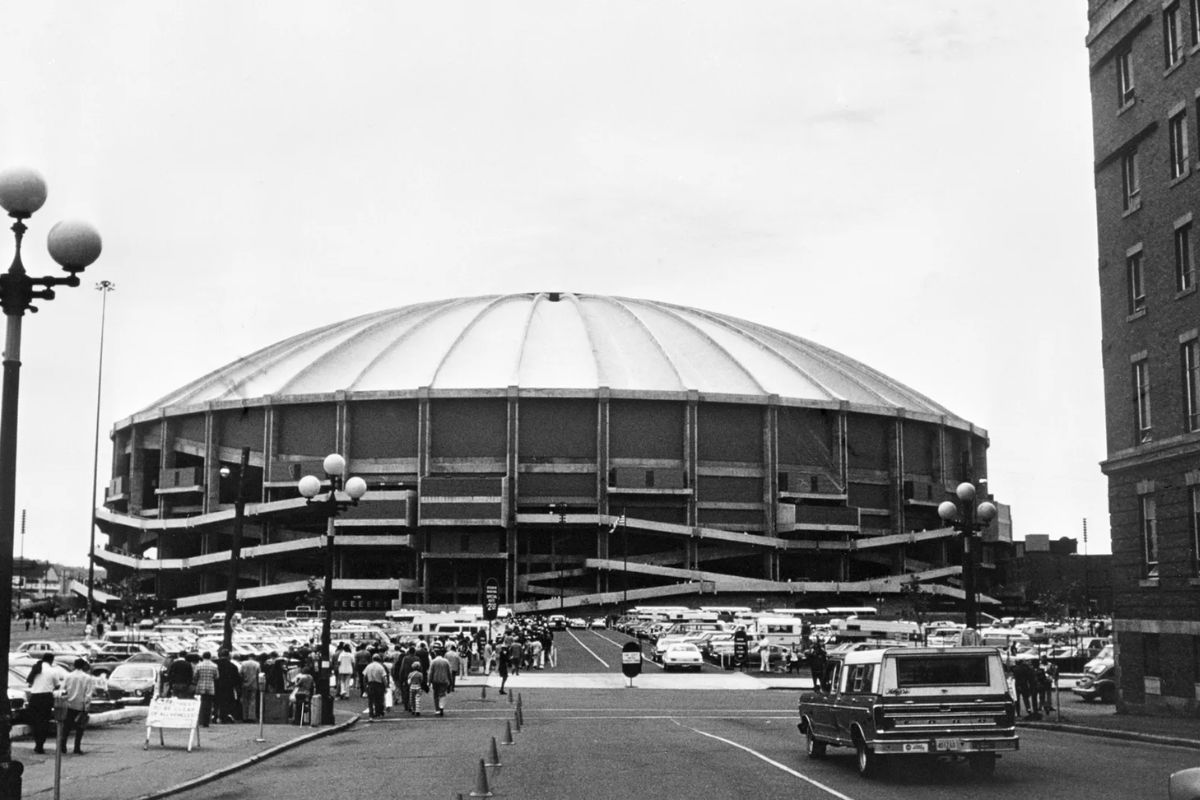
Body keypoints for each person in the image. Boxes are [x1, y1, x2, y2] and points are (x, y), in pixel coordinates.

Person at [26, 653, 65, 754]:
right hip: (46, 697)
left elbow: (30, 682)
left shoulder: (36, 668)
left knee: (35, 721)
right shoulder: (52, 671)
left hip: (34, 697)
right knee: (44, 721)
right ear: (51, 660)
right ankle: (40, 744)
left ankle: (36, 742)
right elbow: (57, 685)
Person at [59, 658, 95, 755]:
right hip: (81, 706)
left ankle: (63, 747)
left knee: (66, 727)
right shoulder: (87, 678)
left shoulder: (68, 676)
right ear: (83, 666)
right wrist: (87, 707)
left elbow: (63, 690)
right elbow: (88, 694)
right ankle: (77, 748)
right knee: (80, 728)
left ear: (74, 665)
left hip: (69, 705)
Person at [193, 651, 219, 727]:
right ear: (210, 657)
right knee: (209, 705)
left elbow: (195, 676)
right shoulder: (214, 666)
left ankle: (201, 720)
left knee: (201, 704)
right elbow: (217, 676)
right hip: (210, 687)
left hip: (200, 686)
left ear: (203, 657)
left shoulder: (198, 665)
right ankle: (206, 721)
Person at [215, 649, 240, 723]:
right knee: (226, 703)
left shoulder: (215, 664)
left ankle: (215, 716)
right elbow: (236, 678)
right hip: (228, 687)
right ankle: (224, 717)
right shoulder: (233, 666)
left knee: (216, 702)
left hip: (216, 686)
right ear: (229, 656)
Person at [363, 654, 390, 719]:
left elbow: (364, 676)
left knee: (370, 700)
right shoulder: (380, 667)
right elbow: (384, 677)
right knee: (379, 699)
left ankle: (371, 714)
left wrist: (365, 686)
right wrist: (386, 686)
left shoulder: (368, 666)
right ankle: (378, 712)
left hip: (370, 684)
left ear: (372, 659)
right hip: (379, 684)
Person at [428, 650, 452, 717]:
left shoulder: (433, 661)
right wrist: (451, 681)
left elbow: (430, 672)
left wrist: (429, 682)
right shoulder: (446, 661)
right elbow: (449, 672)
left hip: (435, 680)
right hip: (444, 680)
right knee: (442, 694)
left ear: (435, 654)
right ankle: (441, 706)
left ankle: (437, 710)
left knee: (435, 695)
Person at [239, 655, 261, 722]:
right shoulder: (257, 664)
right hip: (254, 684)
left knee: (245, 700)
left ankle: (244, 717)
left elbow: (240, 673)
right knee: (252, 700)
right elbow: (259, 674)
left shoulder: (243, 663)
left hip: (245, 684)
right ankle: (251, 717)